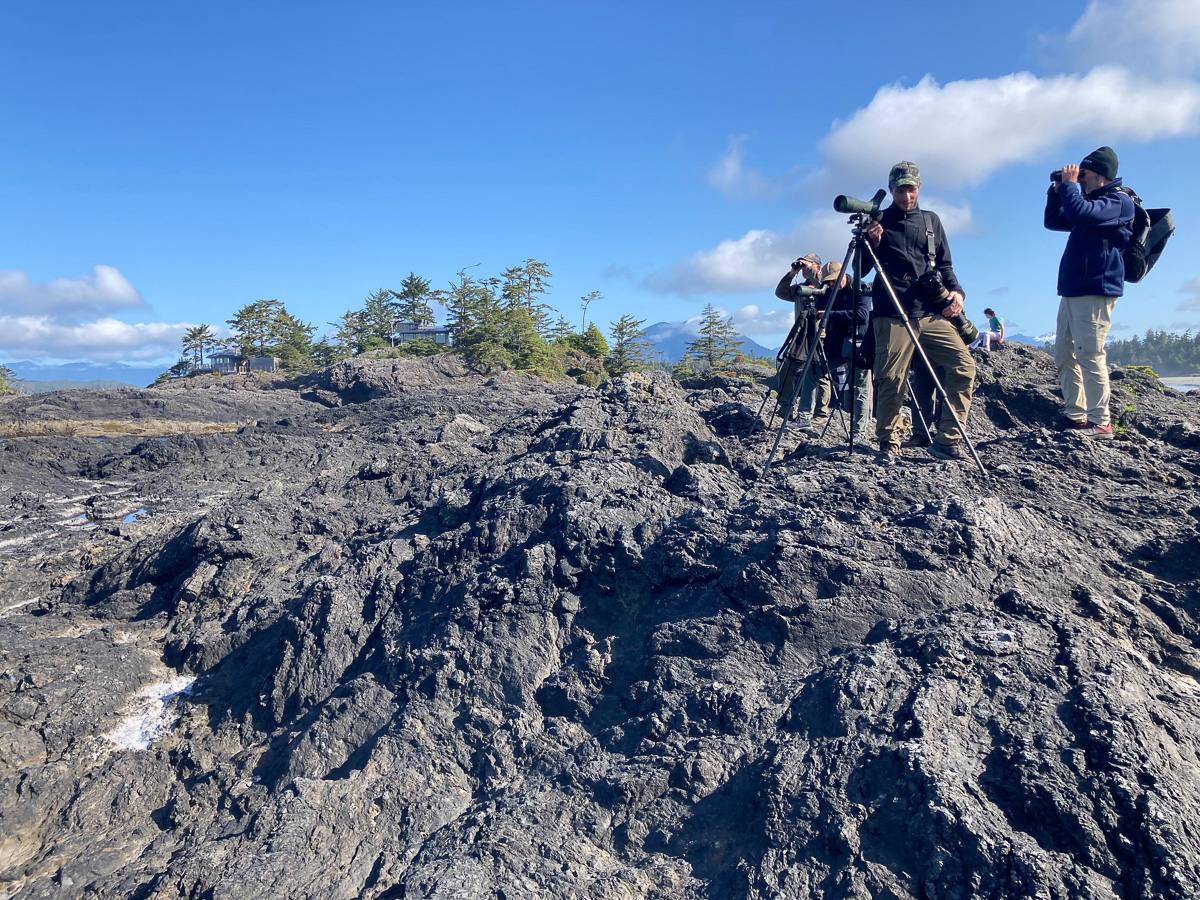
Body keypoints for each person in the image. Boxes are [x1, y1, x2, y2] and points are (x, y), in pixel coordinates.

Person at [864, 160, 975, 462]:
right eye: (900, 190)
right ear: (891, 190)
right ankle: (889, 442)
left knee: (964, 367)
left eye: (911, 189)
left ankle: (948, 440)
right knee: (891, 378)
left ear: (918, 188)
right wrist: (870, 241)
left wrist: (957, 293)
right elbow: (860, 269)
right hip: (891, 311)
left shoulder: (931, 221)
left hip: (930, 312)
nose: (906, 196)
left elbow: (945, 265)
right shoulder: (879, 220)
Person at [1044, 146, 1134, 440]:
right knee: (1065, 353)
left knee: (1090, 353)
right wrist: (1057, 191)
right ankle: (1077, 415)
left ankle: (1101, 421)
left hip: (1096, 288)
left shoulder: (1118, 202)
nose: (1080, 180)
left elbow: (1081, 214)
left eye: (1084, 175)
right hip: (1073, 288)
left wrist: (1070, 186)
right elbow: (1055, 221)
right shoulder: (1089, 202)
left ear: (1099, 175)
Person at [773, 253, 832, 427]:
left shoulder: (825, 285)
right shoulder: (800, 288)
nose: (804, 268)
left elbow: (823, 289)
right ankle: (785, 408)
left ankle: (820, 412)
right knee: (787, 370)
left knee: (818, 372)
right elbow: (780, 293)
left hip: (819, 333)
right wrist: (792, 273)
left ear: (817, 267)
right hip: (800, 334)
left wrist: (811, 271)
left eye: (808, 265)